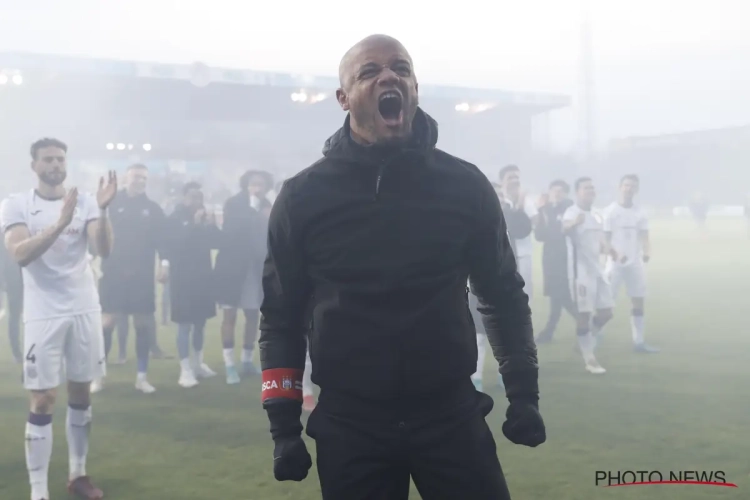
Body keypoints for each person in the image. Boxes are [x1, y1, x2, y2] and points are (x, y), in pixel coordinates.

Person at [259, 35, 545, 500]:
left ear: (414, 89)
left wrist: (524, 395)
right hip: (351, 425)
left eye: (401, 69)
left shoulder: (465, 186)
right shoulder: (302, 198)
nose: (389, 76)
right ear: (343, 98)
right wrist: (284, 427)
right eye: (369, 72)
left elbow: (503, 296)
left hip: (450, 415)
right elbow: (280, 317)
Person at [1, 138, 116, 500]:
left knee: (81, 391)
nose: (55, 164)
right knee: (43, 399)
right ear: (34, 165)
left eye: (60, 158)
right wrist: (60, 223)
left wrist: (104, 211)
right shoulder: (17, 204)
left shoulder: (85, 201)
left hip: (84, 307)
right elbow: (20, 253)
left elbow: (104, 250)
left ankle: (78, 476)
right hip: (42, 313)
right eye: (48, 159)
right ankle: (38, 491)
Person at [93, 164, 169, 394]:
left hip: (142, 276)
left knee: (143, 324)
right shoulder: (112, 204)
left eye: (144, 178)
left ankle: (141, 377)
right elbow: (98, 232)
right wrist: (89, 258)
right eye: (136, 176)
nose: (140, 181)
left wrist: (164, 264)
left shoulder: (153, 209)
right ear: (127, 178)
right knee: (107, 323)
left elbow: (162, 241)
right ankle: (98, 376)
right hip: (113, 273)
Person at [213, 170, 273, 384]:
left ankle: (247, 360)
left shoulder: (268, 206)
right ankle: (229, 365)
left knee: (252, 315)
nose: (257, 188)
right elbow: (230, 231)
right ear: (246, 185)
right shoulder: (234, 204)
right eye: (253, 184)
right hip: (231, 269)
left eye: (261, 184)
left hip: (256, 270)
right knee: (229, 316)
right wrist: (253, 211)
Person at [163, 182, 219, 387]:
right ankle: (185, 368)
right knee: (185, 325)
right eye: (193, 197)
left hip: (203, 279)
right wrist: (195, 225)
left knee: (200, 323)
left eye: (200, 197)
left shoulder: (203, 218)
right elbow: (176, 246)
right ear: (184, 198)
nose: (197, 201)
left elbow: (217, 243)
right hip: (182, 281)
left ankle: (198, 363)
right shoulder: (175, 219)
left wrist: (211, 225)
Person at [563, 177, 614, 374]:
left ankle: (584, 341)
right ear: (578, 192)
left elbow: (600, 241)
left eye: (592, 188)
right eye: (586, 188)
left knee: (607, 312)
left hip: (597, 270)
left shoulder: (596, 215)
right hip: (580, 273)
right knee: (584, 315)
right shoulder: (572, 212)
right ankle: (589, 359)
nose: (590, 191)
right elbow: (564, 228)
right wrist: (574, 223)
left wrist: (611, 250)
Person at [603, 175, 659, 353]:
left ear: (636, 190)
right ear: (620, 187)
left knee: (638, 300)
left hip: (635, 264)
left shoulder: (640, 212)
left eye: (632, 186)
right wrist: (615, 255)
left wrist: (647, 252)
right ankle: (594, 335)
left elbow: (645, 236)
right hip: (615, 263)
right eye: (626, 185)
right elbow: (605, 240)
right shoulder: (610, 211)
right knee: (606, 303)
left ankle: (639, 342)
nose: (629, 189)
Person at [534, 180, 576, 343]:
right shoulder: (546, 209)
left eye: (560, 191)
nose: (557, 193)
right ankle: (549, 332)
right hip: (550, 258)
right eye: (554, 190)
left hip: (567, 257)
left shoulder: (570, 208)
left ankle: (587, 323)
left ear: (566, 193)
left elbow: (560, 232)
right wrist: (541, 210)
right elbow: (540, 235)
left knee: (561, 294)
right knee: (556, 296)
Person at [499, 165, 538, 299]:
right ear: (502, 182)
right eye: (510, 177)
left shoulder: (527, 201)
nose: (515, 180)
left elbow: (534, 221)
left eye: (517, 177)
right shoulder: (498, 200)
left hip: (523, 254)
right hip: (501, 255)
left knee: (525, 293)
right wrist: (518, 206)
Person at [0, 233, 23, 362]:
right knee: (14, 315)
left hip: (22, 272)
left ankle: (18, 352)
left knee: (17, 315)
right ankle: (16, 352)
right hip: (12, 275)